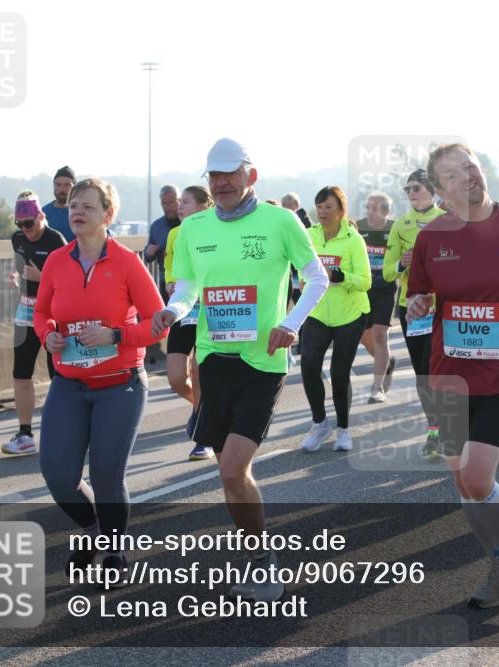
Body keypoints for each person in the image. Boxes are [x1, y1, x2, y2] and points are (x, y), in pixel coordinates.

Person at [152, 138, 329, 602]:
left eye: (230, 174)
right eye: (215, 176)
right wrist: (173, 310)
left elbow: (316, 277)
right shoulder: (193, 228)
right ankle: (254, 556)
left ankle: (264, 560)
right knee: (228, 475)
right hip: (213, 360)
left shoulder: (280, 220)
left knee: (232, 468)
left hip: (263, 362)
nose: (222, 183)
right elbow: (189, 284)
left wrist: (291, 324)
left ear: (251, 175)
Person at [408, 143, 499, 610]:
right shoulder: (432, 237)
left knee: (476, 476)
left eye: (470, 166)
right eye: (452, 174)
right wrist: (418, 303)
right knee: (461, 480)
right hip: (450, 372)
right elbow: (419, 295)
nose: (466, 176)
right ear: (440, 190)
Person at [33, 177, 167, 587]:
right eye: (74, 205)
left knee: (107, 474)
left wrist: (116, 336)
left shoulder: (127, 262)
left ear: (108, 215)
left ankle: (113, 549)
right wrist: (49, 334)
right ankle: (93, 532)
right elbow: (41, 314)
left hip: (120, 384)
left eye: (88, 207)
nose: (77, 212)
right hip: (70, 383)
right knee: (58, 474)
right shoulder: (57, 260)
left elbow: (157, 323)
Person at [299, 186, 371, 452]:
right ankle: (319, 424)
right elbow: (298, 266)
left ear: (341, 210)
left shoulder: (353, 239)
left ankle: (343, 429)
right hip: (317, 312)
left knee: (339, 374)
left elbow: (365, 281)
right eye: (318, 207)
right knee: (308, 367)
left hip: (349, 315)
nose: (322, 212)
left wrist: (341, 277)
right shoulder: (308, 236)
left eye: (328, 207)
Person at [384, 169, 447, 459]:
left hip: (442, 308)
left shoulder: (447, 222)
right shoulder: (400, 225)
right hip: (411, 310)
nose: (410, 193)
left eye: (416, 187)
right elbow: (386, 272)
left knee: (440, 372)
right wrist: (402, 263)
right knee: (423, 375)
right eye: (407, 188)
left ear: (432, 190)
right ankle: (434, 433)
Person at [2, 191, 67, 456]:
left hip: (53, 314)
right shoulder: (17, 237)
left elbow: (68, 280)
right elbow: (17, 257)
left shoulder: (55, 240)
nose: (25, 230)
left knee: (58, 375)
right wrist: (13, 273)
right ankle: (25, 433)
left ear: (41, 216)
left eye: (30, 223)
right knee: (21, 373)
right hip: (26, 312)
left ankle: (64, 431)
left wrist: (41, 277)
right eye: (20, 224)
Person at [164, 185, 214, 459]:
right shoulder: (175, 234)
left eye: (185, 201)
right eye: (179, 201)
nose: (179, 206)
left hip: (209, 310)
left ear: (204, 206)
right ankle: (205, 411)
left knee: (199, 372)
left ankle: (204, 434)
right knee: (175, 378)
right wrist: (171, 282)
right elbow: (171, 267)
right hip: (183, 310)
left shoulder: (216, 230)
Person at [357, 191, 397, 403]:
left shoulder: (395, 229)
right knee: (365, 337)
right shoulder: (358, 227)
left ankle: (377, 388)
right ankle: (387, 363)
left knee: (380, 335)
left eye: (374, 208)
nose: (369, 212)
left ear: (386, 211)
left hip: (386, 288)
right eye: (367, 208)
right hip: (362, 289)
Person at [144, 185, 183, 303]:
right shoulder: (156, 226)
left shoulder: (189, 222)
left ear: (179, 201)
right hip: (165, 281)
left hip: (187, 279)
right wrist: (149, 253)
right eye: (164, 204)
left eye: (172, 203)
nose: (168, 207)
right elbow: (147, 257)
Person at [42, 166, 76, 242]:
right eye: (58, 184)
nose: (62, 189)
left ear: (75, 187)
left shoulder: (82, 213)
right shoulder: (43, 214)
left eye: (67, 185)